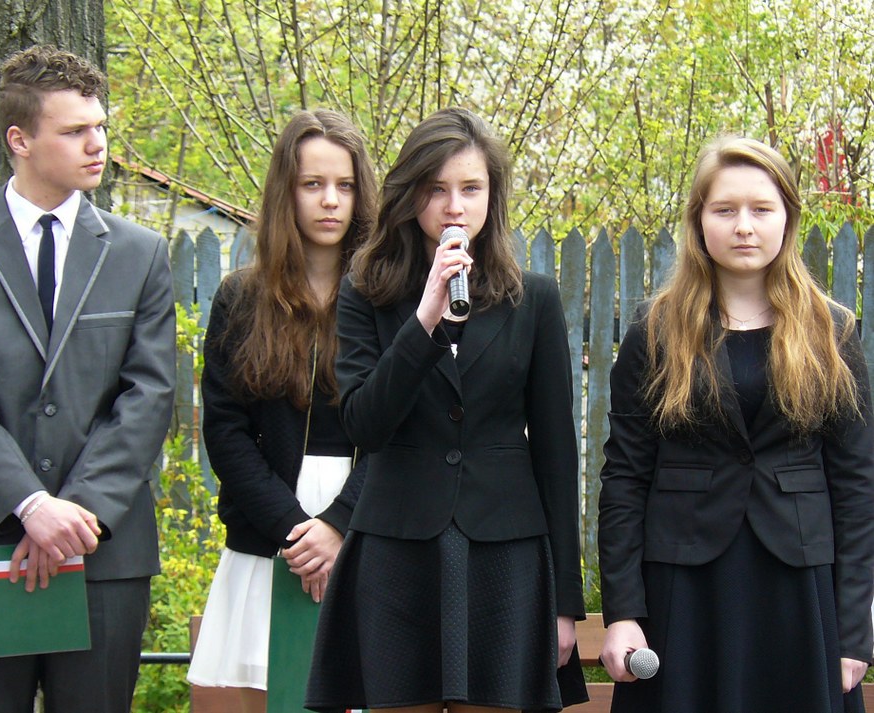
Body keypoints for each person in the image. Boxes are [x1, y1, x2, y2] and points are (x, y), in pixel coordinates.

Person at [306, 107, 588, 713]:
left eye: (470, 189)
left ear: (492, 196)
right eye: (436, 189)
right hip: (397, 548)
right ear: (410, 195)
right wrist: (424, 320)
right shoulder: (365, 291)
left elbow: (557, 454)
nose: (454, 207)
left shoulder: (533, 299)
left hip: (504, 551)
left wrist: (566, 602)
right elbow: (364, 424)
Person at [0, 45, 176, 713]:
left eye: (100, 127)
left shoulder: (140, 254)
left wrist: (76, 514)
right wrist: (30, 506)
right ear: (20, 140)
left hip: (104, 549)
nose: (97, 144)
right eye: (74, 131)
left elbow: (149, 396)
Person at [597, 136, 874, 713]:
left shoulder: (832, 333)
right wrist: (623, 613)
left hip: (799, 590)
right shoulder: (656, 331)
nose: (744, 226)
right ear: (699, 220)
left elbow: (856, 486)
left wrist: (853, 630)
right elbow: (624, 478)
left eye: (761, 209)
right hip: (684, 591)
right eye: (724, 209)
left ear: (787, 217)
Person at [185, 109, 376, 713]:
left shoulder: (390, 298)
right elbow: (226, 431)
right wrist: (296, 532)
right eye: (312, 184)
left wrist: (338, 524)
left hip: (367, 527)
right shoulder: (241, 298)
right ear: (285, 192)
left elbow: (403, 429)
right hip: (270, 531)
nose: (330, 200)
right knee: (266, 695)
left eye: (345, 185)